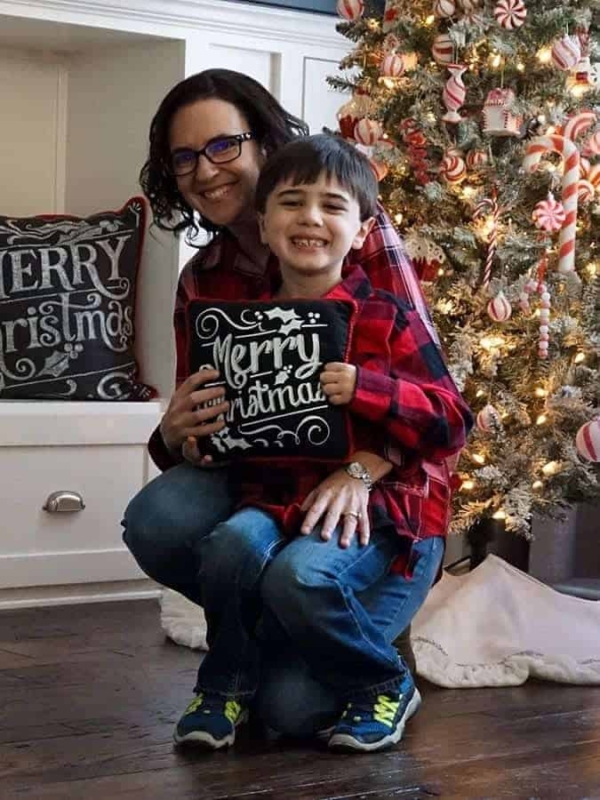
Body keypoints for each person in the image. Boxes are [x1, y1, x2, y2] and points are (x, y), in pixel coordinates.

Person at [122, 69, 468, 744]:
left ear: (262, 142)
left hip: (381, 500)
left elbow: (443, 411)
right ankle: (265, 643)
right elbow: (210, 429)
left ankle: (360, 652)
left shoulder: (359, 254)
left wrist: (362, 467)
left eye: (223, 146)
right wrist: (180, 432)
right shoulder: (209, 282)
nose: (205, 170)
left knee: (289, 712)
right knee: (164, 522)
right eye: (184, 158)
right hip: (273, 493)